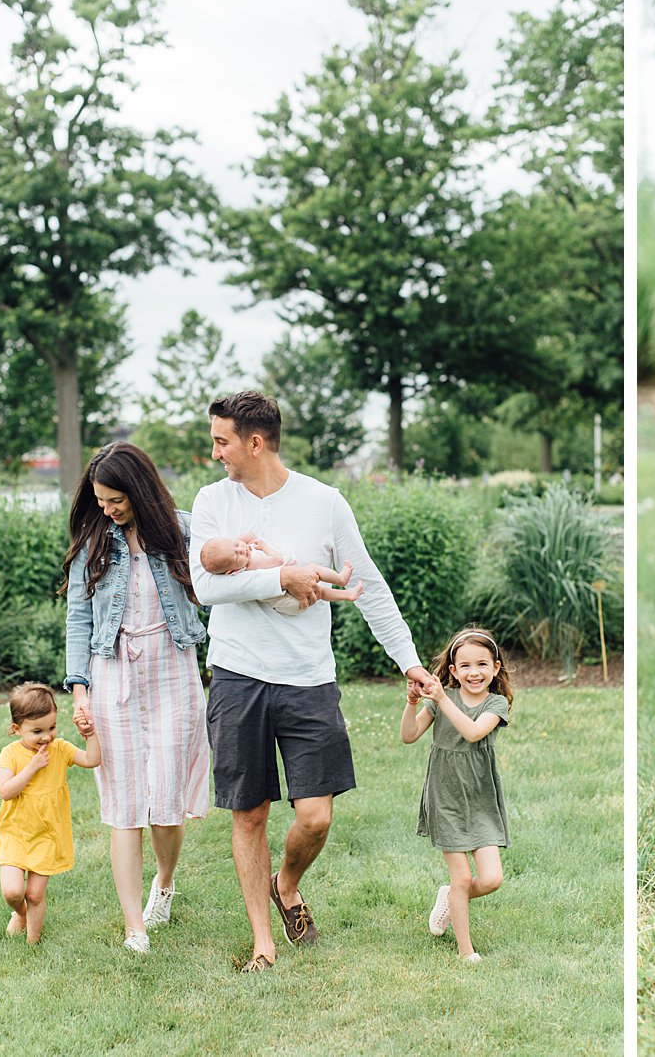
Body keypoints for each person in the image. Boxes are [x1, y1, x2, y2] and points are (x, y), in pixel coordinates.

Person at [190, 389, 441, 973]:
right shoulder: (212, 502)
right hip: (237, 675)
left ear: (255, 443)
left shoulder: (324, 502)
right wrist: (284, 575)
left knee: (316, 816)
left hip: (307, 679)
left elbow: (370, 587)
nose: (215, 453)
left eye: (221, 442)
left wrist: (408, 661)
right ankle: (262, 941)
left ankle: (287, 884)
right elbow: (206, 588)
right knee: (249, 813)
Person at [62, 441, 211, 954]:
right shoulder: (94, 542)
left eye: (115, 500)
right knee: (125, 804)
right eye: (100, 500)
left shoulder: (184, 531)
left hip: (173, 667)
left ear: (140, 490)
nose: (107, 509)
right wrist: (79, 691)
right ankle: (134, 928)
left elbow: (230, 575)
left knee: (166, 805)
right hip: (112, 674)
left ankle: (164, 884)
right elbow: (79, 620)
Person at [400, 627, 513, 962]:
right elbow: (409, 735)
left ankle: (450, 897)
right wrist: (412, 702)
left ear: (495, 668)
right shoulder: (439, 704)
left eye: (481, 664)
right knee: (462, 877)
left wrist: (442, 698)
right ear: (453, 671)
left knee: (491, 879)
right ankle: (466, 952)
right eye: (464, 666)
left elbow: (474, 732)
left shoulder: (496, 703)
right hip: (445, 796)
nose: (473, 672)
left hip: (480, 798)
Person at [0, 683, 102, 944]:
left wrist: (90, 734)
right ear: (16, 729)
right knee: (12, 891)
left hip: (47, 834)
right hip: (16, 833)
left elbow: (92, 760)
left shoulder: (60, 749)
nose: (46, 737)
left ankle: (32, 944)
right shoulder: (11, 754)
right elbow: (5, 791)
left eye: (51, 728)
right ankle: (20, 913)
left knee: (36, 893)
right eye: (37, 731)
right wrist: (32, 767)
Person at [199, 534, 364, 614]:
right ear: (232, 570)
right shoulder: (253, 564)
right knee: (314, 570)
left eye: (236, 545)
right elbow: (277, 561)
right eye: (237, 555)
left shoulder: (236, 574)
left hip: (288, 605)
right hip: (290, 599)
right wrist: (264, 546)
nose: (242, 550)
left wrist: (237, 543)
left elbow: (246, 537)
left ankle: (348, 595)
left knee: (320, 592)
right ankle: (341, 579)